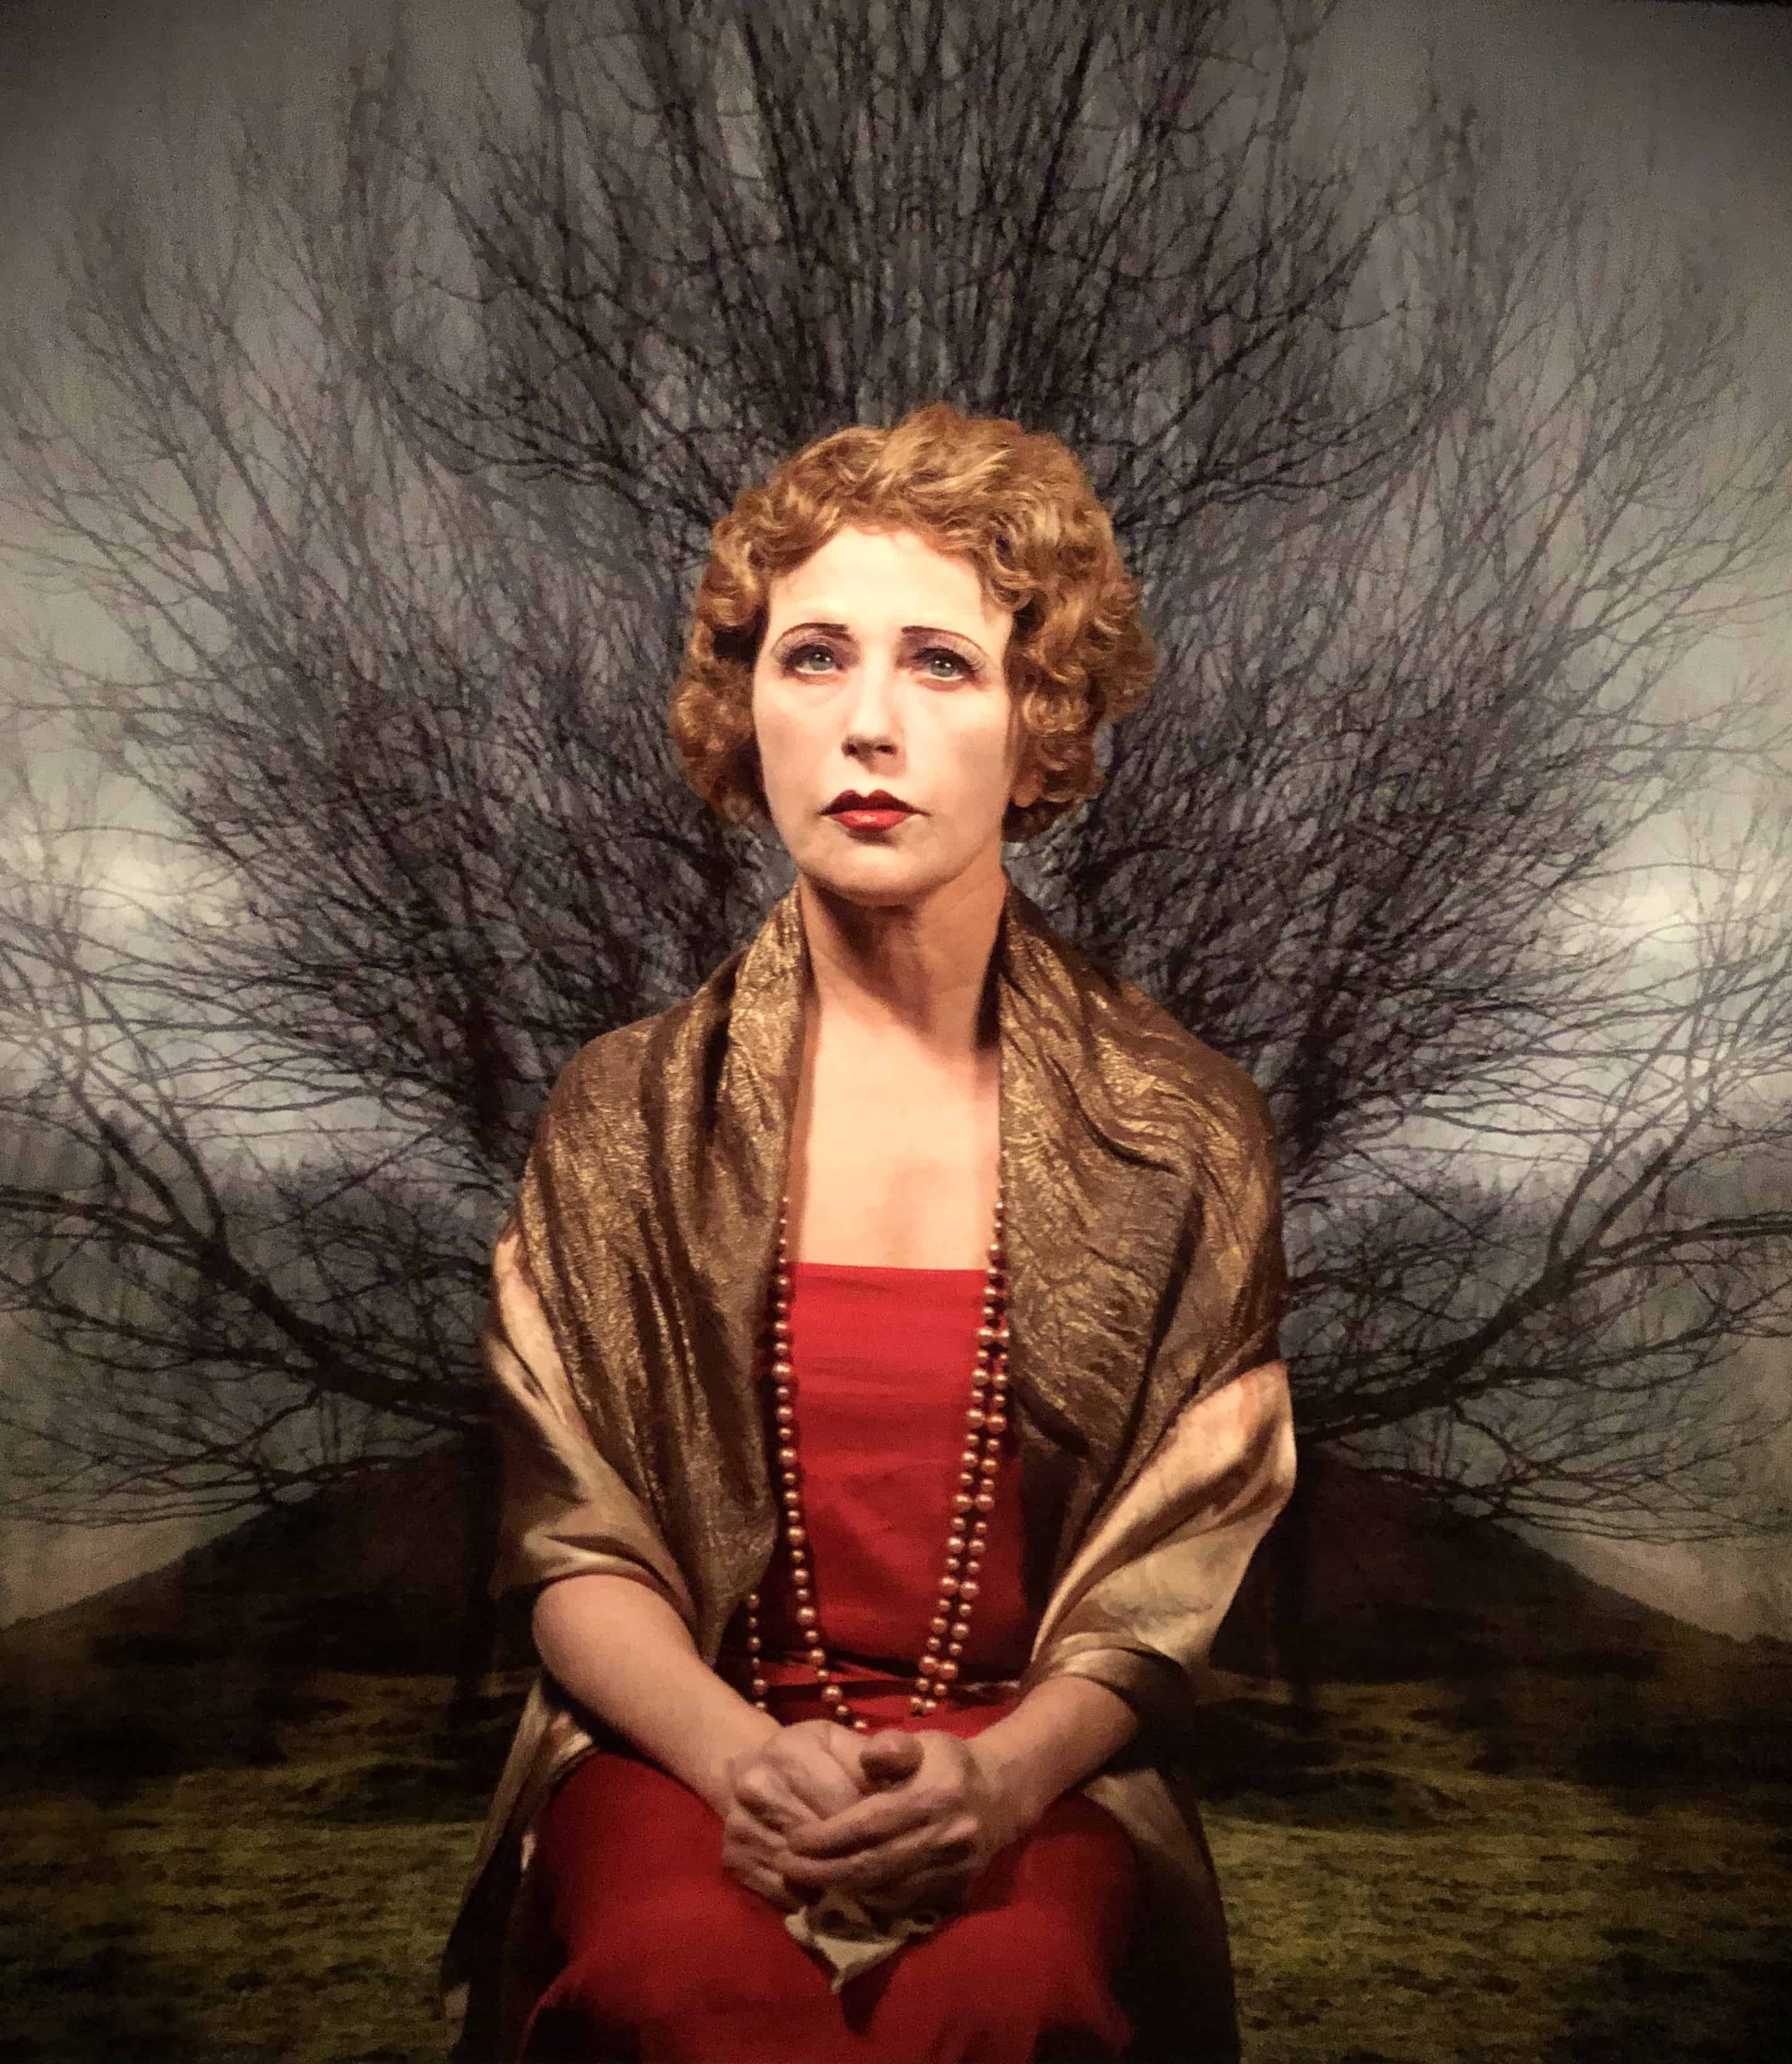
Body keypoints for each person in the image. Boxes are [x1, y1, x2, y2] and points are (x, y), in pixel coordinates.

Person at [438, 403, 1296, 2063]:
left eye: (944, 665)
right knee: (682, 1984)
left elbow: (1172, 1571)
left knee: (1002, 1999)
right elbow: (571, 1540)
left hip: (1033, 1768)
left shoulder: (1183, 1129)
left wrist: (1006, 1776)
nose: (871, 727)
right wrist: (734, 1757)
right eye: (816, 657)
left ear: (1040, 731)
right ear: (744, 712)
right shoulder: (624, 1113)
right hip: (682, 1754)